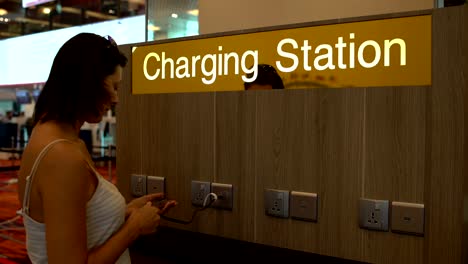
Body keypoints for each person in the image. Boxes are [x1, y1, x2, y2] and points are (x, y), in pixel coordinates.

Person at [17, 33, 177, 264]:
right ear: (86, 83)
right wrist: (133, 228)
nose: (116, 98)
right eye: (113, 86)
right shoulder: (62, 156)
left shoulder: (55, 138)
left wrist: (122, 212)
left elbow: (70, 223)